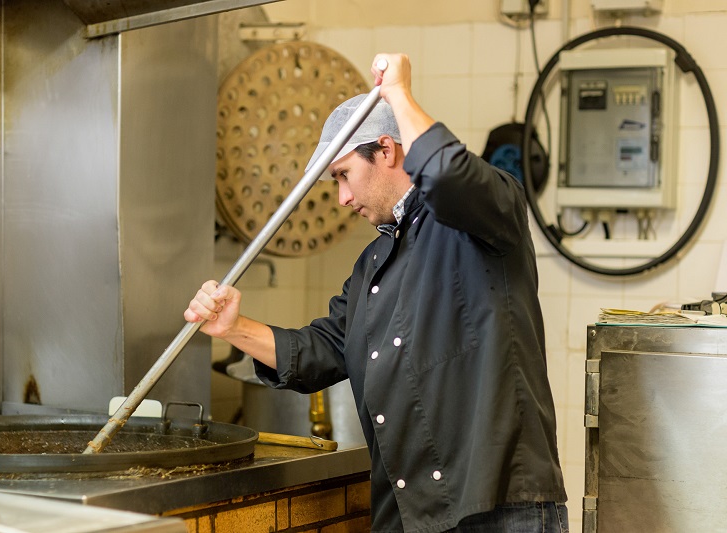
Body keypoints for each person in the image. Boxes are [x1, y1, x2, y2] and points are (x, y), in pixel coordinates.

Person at [185, 53, 568, 533]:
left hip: (494, 509)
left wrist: (398, 95)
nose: (342, 198)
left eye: (344, 175)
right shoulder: (373, 265)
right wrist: (233, 329)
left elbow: (449, 174)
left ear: (387, 151)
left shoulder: (483, 217)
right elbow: (321, 349)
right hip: (409, 517)